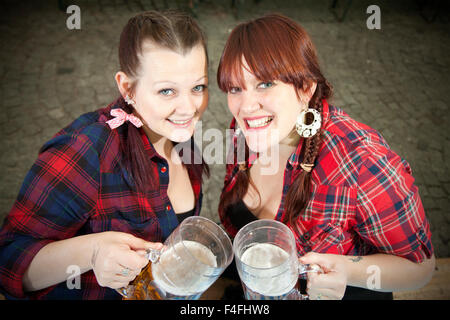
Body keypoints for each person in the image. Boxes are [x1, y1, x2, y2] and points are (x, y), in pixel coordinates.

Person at [217, 13, 435, 300]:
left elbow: (420, 267)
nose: (245, 107)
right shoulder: (245, 130)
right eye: (235, 88)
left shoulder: (362, 161)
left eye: (265, 84)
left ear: (306, 87)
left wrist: (346, 269)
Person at [0, 10, 210, 299]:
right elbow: (8, 260)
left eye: (198, 87)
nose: (189, 108)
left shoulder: (178, 134)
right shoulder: (85, 150)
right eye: (167, 91)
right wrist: (93, 251)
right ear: (127, 88)